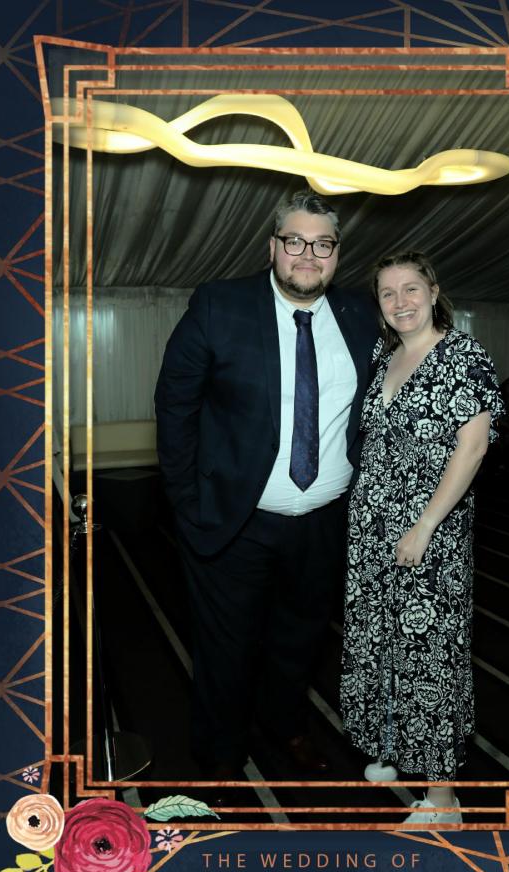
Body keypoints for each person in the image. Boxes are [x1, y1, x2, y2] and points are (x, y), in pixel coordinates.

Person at [154, 189, 379, 792]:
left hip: (326, 520)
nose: (309, 255)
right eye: (295, 241)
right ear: (272, 246)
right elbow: (175, 406)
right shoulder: (219, 305)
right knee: (227, 648)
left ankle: (286, 727)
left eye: (323, 244)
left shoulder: (361, 315)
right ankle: (220, 752)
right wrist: (187, 503)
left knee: (299, 640)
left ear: (337, 253)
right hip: (235, 519)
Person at [340, 250, 504, 824]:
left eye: (411, 288)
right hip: (373, 528)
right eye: (388, 293)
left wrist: (425, 526)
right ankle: (392, 746)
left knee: (429, 656)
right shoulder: (383, 356)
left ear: (434, 292)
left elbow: (472, 448)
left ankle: (442, 800)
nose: (401, 301)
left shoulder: (463, 355)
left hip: (429, 532)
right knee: (379, 639)